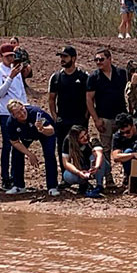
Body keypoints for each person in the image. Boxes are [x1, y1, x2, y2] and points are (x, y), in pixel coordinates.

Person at [86, 48, 128, 187]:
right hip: (104, 118)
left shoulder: (121, 74)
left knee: (125, 147)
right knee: (105, 150)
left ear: (110, 59)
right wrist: (96, 119)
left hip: (122, 118)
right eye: (96, 60)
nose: (98, 62)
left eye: (101, 59)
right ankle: (108, 178)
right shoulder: (94, 77)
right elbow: (89, 99)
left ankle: (127, 176)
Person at [48, 45, 89, 182]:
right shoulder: (56, 77)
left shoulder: (83, 76)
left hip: (79, 120)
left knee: (81, 148)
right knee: (62, 148)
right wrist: (55, 117)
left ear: (74, 58)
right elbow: (52, 99)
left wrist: (86, 116)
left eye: (65, 57)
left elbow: (89, 98)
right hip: (63, 120)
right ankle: (65, 178)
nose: (62, 59)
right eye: (61, 57)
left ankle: (83, 177)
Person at [4, 100, 59, 196]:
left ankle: (52, 186)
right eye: (18, 113)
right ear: (13, 115)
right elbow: (14, 142)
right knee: (16, 153)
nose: (22, 113)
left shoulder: (36, 113)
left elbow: (51, 130)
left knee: (49, 154)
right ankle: (18, 185)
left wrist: (42, 129)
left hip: (44, 134)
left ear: (24, 106)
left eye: (22, 109)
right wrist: (29, 154)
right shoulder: (11, 123)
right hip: (26, 135)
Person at [0, 43, 27, 189]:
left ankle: (16, 177)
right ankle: (5, 177)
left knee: (19, 145)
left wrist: (26, 107)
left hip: (20, 112)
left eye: (12, 55)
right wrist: (10, 77)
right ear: (1, 57)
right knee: (8, 145)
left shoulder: (16, 71)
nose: (10, 58)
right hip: (6, 113)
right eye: (7, 56)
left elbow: (21, 92)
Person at [61, 125, 109, 198]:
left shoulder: (92, 140)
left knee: (95, 157)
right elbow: (66, 162)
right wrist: (78, 172)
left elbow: (99, 155)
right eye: (81, 137)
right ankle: (84, 184)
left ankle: (99, 185)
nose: (85, 138)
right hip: (80, 168)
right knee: (67, 176)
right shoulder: (68, 142)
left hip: (97, 168)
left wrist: (96, 167)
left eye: (85, 134)